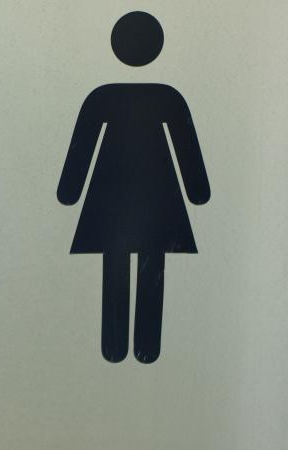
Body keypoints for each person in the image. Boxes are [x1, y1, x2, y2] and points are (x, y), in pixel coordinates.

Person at [57, 11, 210, 364]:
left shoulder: (103, 96)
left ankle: (115, 346)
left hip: (110, 195)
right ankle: (145, 347)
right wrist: (197, 191)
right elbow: (186, 147)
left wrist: (70, 191)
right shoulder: (167, 96)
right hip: (157, 194)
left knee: (118, 265)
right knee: (150, 266)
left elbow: (83, 147)